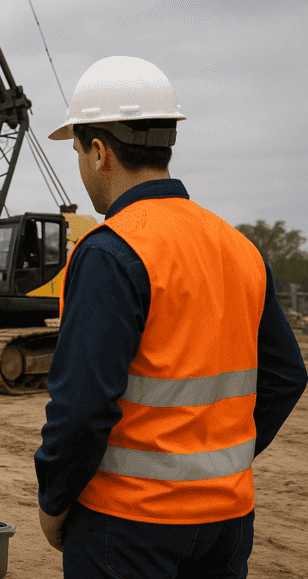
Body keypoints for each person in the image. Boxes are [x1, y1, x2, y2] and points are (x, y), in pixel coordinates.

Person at [33, 55, 307, 578]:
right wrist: (217, 467)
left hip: (128, 525)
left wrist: (55, 503)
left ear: (98, 151)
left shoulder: (111, 250)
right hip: (227, 521)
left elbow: (84, 408)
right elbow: (286, 376)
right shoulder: (237, 245)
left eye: (76, 150)